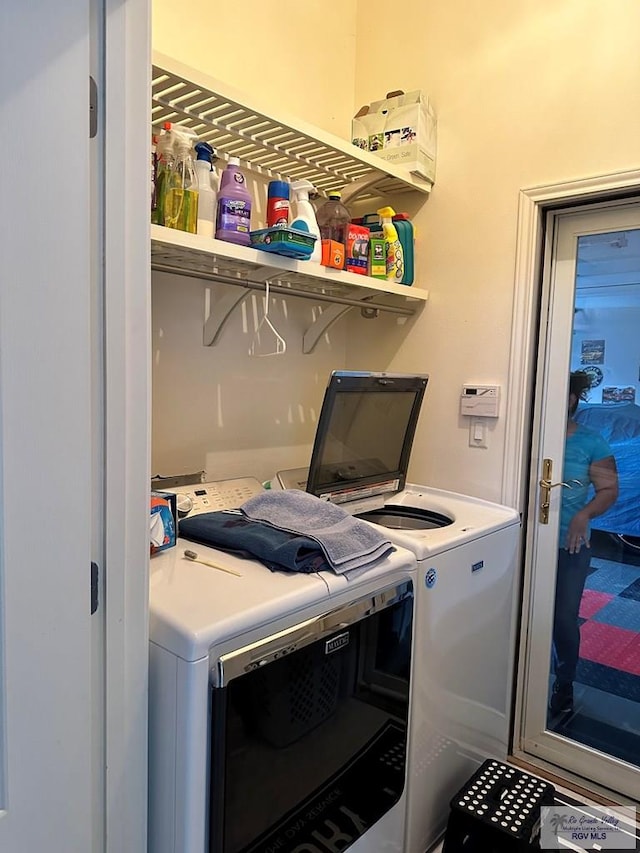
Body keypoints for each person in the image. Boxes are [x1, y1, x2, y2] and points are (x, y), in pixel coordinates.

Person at [549, 371, 619, 715]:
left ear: (572, 400)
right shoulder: (532, 436)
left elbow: (608, 490)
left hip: (570, 548)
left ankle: (564, 682)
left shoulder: (592, 442)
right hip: (528, 545)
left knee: (563, 619)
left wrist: (584, 515)